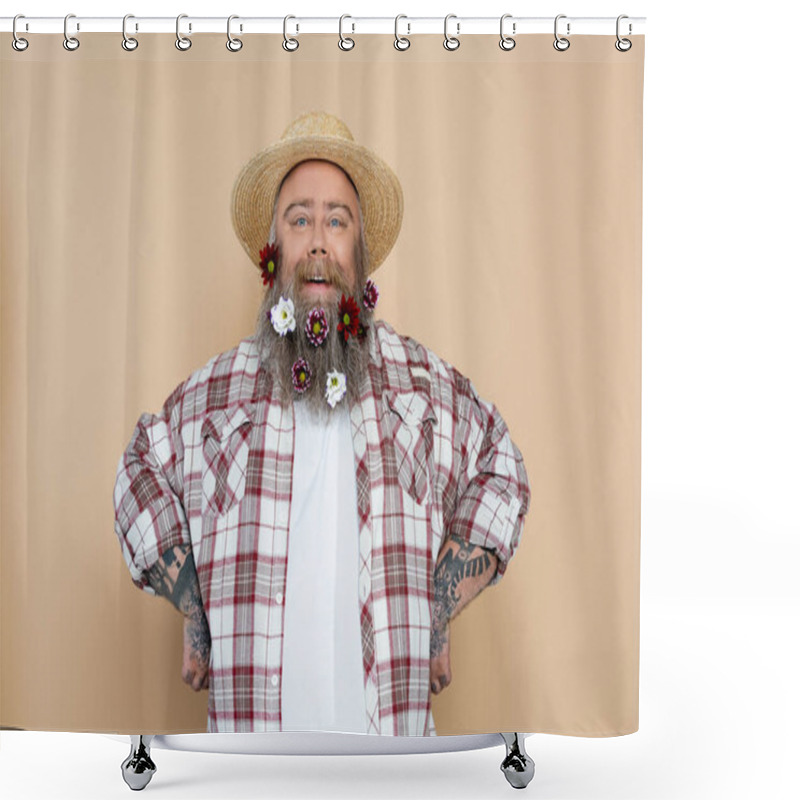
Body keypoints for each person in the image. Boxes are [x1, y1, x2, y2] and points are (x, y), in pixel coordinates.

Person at [113, 111, 530, 735]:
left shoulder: (424, 385)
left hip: (389, 764)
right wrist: (194, 608)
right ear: (272, 250)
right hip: (253, 768)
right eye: (299, 219)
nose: (317, 241)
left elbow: (503, 466)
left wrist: (437, 607)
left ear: (358, 253)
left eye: (337, 221)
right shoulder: (215, 393)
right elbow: (137, 470)